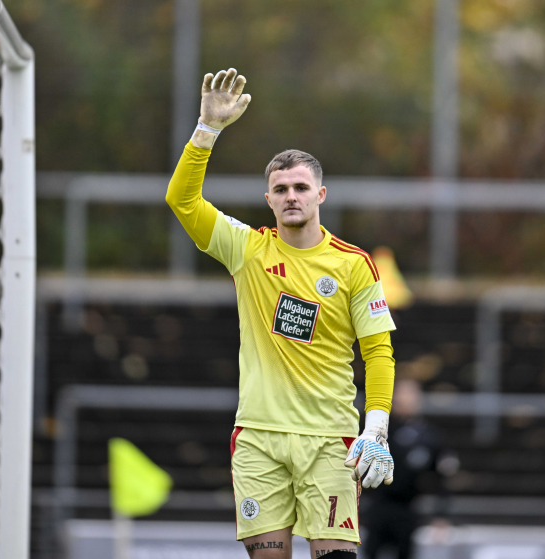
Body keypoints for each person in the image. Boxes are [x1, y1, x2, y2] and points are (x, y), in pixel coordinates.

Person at [166, 68, 398, 559]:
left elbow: (378, 351)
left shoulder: (353, 265)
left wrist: (375, 429)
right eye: (281, 188)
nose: (291, 196)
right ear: (268, 199)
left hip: (330, 440)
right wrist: (207, 129)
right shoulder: (246, 249)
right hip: (259, 439)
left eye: (300, 186)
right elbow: (181, 201)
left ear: (320, 195)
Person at [362, 378, 459, 559]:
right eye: (400, 393)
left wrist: (441, 516)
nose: (405, 399)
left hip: (407, 509)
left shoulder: (429, 437)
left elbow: (442, 477)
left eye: (410, 394)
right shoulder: (374, 429)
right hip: (377, 506)